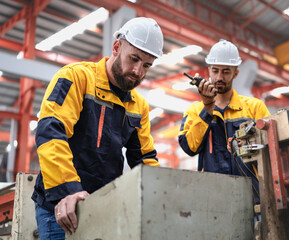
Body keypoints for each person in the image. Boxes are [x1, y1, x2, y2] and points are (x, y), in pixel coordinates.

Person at [32, 17, 164, 239]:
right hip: (60, 206)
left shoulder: (138, 105)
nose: (138, 71)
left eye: (146, 65)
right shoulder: (76, 77)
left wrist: (161, 196)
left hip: (104, 207)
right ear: (116, 47)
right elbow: (51, 133)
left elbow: (144, 159)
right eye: (134, 59)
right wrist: (69, 191)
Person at [178, 39, 270, 205]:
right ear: (209, 70)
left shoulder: (255, 108)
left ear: (235, 73)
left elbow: (270, 150)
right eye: (216, 71)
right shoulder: (194, 110)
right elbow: (189, 147)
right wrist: (207, 108)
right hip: (212, 200)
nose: (219, 77)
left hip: (253, 199)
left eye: (226, 72)